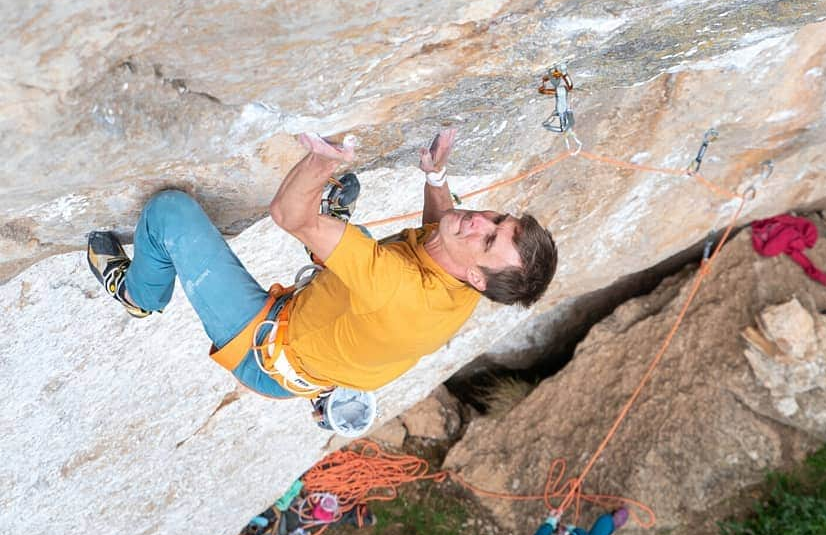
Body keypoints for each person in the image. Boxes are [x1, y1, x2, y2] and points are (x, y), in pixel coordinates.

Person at [85, 129, 558, 408]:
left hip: (264, 350)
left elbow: (288, 215)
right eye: (497, 219)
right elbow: (442, 235)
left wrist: (319, 161)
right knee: (374, 252)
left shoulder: (398, 290)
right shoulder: (470, 278)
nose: (479, 220)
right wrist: (436, 178)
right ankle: (331, 243)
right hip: (340, 321)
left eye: (490, 238)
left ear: (478, 277)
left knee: (171, 213)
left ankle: (141, 297)